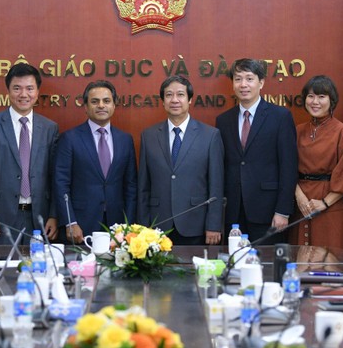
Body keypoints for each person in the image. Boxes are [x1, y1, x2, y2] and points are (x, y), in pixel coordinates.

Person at [0, 62, 59, 243]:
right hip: (0, 220)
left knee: (39, 269)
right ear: (8, 91)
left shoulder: (50, 128)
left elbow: (55, 176)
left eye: (29, 88)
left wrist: (54, 214)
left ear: (37, 92)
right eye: (17, 88)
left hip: (40, 219)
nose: (23, 94)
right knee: (3, 270)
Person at [216, 58, 298, 242]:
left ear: (261, 83)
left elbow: (289, 167)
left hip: (268, 211)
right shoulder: (223, 120)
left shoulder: (280, 116)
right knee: (235, 265)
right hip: (234, 212)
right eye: (238, 79)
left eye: (249, 78)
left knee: (267, 267)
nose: (243, 84)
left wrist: (283, 211)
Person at [137, 75, 224, 245]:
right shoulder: (149, 136)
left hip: (195, 224)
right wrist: (142, 226)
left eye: (180, 95)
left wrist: (213, 225)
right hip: (157, 225)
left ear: (190, 99)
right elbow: (143, 187)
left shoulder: (210, 135)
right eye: (169, 95)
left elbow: (216, 184)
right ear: (163, 101)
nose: (174, 100)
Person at [54, 80, 137, 243]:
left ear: (114, 105)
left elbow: (131, 186)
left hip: (117, 225)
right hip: (81, 224)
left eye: (106, 101)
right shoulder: (69, 138)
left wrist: (129, 225)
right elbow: (61, 182)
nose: (101, 105)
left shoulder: (125, 139)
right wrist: (70, 221)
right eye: (94, 101)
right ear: (85, 107)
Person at [290, 75, 343, 253]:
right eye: (311, 96)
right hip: (301, 204)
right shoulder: (297, 130)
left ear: (332, 101)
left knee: (331, 265)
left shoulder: (342, 131)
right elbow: (286, 167)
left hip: (332, 207)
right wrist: (299, 197)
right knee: (299, 264)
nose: (315, 101)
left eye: (321, 97)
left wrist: (324, 202)